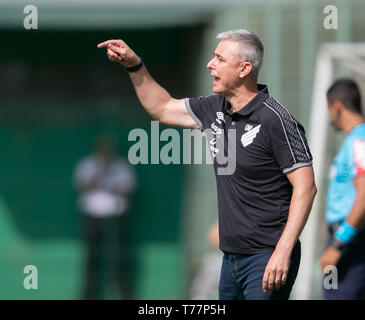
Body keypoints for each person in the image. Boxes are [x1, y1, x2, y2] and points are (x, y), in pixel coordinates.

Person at [97, 29, 317, 300]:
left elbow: (306, 188)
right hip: (230, 260)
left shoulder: (276, 120)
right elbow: (162, 108)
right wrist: (134, 65)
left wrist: (283, 250)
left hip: (267, 257)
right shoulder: (215, 108)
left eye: (219, 59)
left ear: (244, 69)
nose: (209, 64)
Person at [73, 135, 137, 299]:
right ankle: (89, 295)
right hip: (92, 216)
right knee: (92, 258)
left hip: (116, 217)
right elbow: (83, 185)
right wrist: (100, 173)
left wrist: (110, 186)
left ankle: (123, 294)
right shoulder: (87, 164)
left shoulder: (122, 166)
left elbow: (126, 190)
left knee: (118, 258)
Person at [320, 78, 365, 300]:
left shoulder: (360, 141)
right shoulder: (354, 141)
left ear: (336, 106)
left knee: (336, 295)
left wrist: (337, 244)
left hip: (349, 239)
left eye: (328, 109)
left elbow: (364, 196)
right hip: (348, 237)